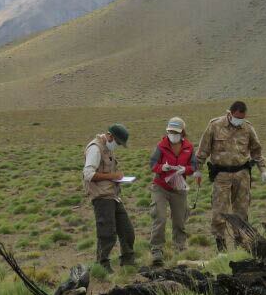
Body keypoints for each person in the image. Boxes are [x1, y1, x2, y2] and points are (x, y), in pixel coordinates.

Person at [196, 100, 266, 252]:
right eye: (236, 118)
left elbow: (256, 150)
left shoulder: (247, 128)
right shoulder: (215, 125)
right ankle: (221, 247)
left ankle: (241, 245)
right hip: (221, 174)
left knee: (241, 211)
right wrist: (198, 168)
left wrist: (263, 170)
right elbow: (203, 149)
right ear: (229, 114)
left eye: (241, 118)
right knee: (219, 211)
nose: (238, 121)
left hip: (242, 174)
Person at [82, 123, 135, 272]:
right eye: (117, 142)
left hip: (112, 195)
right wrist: (113, 176)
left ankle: (128, 262)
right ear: (110, 136)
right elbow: (88, 174)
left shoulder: (107, 148)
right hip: (101, 196)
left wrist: (117, 178)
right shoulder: (95, 149)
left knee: (127, 230)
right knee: (107, 233)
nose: (117, 145)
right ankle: (102, 266)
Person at [148, 116, 197, 267]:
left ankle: (180, 247)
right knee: (160, 217)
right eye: (170, 131)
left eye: (175, 132)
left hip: (179, 187)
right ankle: (157, 250)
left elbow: (194, 166)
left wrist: (186, 169)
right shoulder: (161, 146)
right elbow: (152, 164)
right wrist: (162, 167)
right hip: (161, 186)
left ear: (182, 132)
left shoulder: (189, 147)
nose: (172, 134)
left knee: (179, 220)